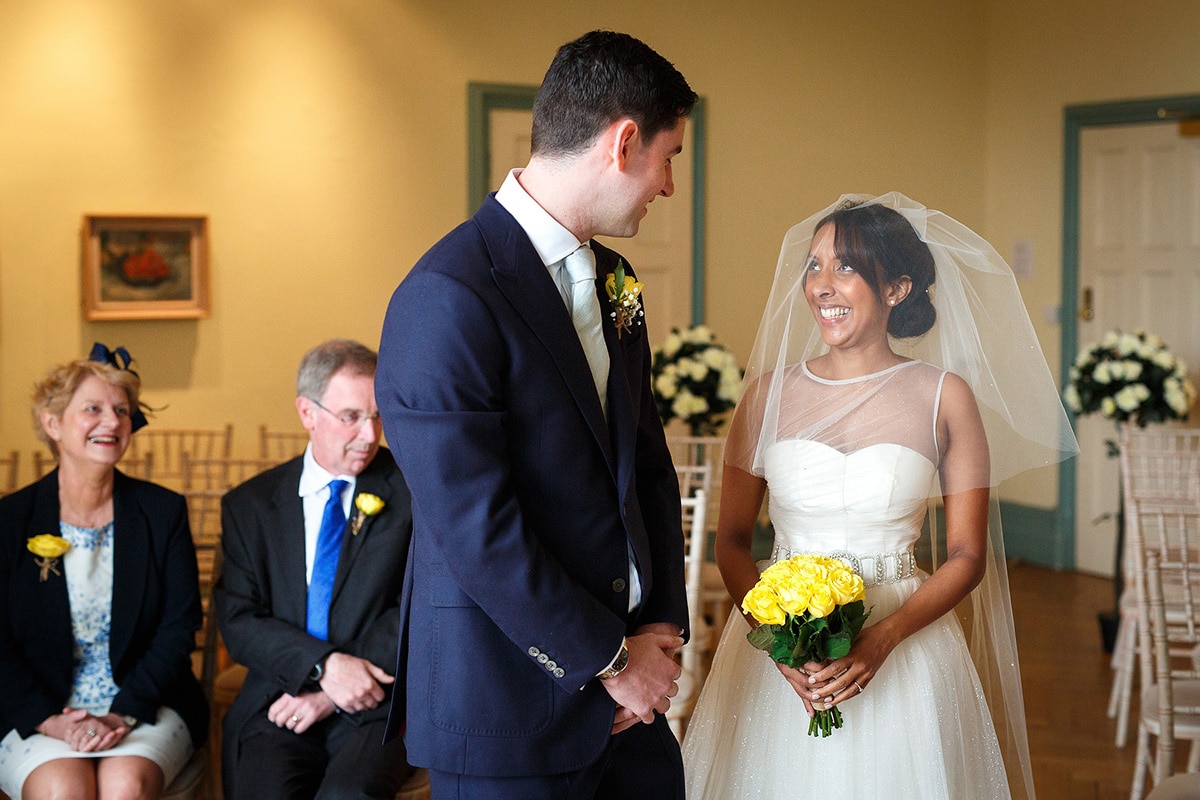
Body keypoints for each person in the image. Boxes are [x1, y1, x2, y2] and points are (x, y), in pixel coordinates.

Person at [375, 30, 697, 800]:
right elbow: (474, 527)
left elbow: (646, 465)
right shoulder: (446, 295)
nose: (669, 187)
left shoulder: (616, 280)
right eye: (671, 158)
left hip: (631, 707)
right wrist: (610, 662)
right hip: (507, 706)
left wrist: (659, 628)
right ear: (624, 143)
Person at [681, 194, 1079, 800]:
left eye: (845, 267)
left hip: (904, 638)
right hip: (778, 645)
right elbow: (732, 542)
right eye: (814, 266)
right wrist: (776, 640)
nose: (822, 286)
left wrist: (883, 638)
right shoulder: (765, 397)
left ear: (896, 288)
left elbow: (969, 555)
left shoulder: (945, 397)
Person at [0, 345, 208, 800]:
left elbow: (179, 628)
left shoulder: (161, 512)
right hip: (37, 709)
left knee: (124, 787)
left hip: (146, 703)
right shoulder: (10, 521)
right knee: (61, 791)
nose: (112, 422)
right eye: (93, 409)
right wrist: (48, 718)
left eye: (121, 411)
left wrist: (121, 714)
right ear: (52, 423)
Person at [214, 339, 415, 800]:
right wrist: (323, 668)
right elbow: (240, 620)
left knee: (348, 794)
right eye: (351, 417)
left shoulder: (410, 492)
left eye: (377, 416)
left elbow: (418, 604)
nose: (370, 434)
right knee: (263, 787)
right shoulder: (250, 506)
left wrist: (339, 687)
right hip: (282, 694)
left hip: (380, 698)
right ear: (307, 412)